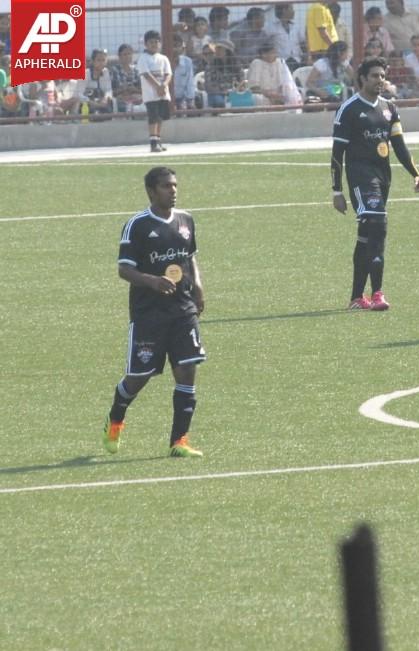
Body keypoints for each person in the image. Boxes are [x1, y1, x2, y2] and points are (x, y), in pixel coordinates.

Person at [103, 167, 207, 459]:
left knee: (187, 369)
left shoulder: (186, 220)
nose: (173, 190)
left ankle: (179, 441)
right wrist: (152, 281)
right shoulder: (136, 225)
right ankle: (115, 419)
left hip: (182, 309)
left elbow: (190, 258)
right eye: (165, 186)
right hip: (149, 314)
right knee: (139, 376)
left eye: (174, 185)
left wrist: (198, 286)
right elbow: (124, 269)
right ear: (151, 191)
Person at [330, 57, 419, 310]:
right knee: (378, 225)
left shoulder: (389, 108)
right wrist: (337, 190)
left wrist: (415, 173)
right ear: (362, 78)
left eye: (382, 76)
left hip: (383, 177)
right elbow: (337, 154)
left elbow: (399, 145)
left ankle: (355, 299)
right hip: (361, 178)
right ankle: (377, 294)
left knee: (365, 236)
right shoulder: (349, 109)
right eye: (374, 76)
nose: (380, 80)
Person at [137, 30, 173, 152]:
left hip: (163, 93)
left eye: (157, 42)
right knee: (153, 117)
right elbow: (146, 74)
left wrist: (164, 85)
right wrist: (158, 86)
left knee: (160, 118)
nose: (154, 44)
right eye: (151, 42)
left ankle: (158, 139)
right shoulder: (143, 58)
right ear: (146, 44)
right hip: (151, 95)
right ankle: (153, 143)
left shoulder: (163, 58)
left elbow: (168, 74)